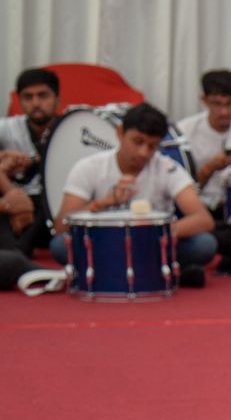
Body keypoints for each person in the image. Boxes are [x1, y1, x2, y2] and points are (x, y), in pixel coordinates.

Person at [54, 103, 217, 286]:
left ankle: (115, 270)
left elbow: (203, 220)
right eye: (137, 142)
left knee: (204, 244)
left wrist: (149, 233)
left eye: (152, 146)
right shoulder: (88, 167)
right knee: (60, 245)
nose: (143, 152)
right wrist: (101, 203)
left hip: (152, 244)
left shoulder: (167, 168)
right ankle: (158, 270)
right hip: (106, 244)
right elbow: (61, 225)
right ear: (120, 133)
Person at [177, 69, 231, 218]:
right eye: (216, 104)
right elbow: (176, 187)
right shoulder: (184, 132)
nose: (224, 112)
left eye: (230, 104)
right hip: (198, 208)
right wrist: (210, 168)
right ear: (204, 100)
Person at [0, 67, 64, 246]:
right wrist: (4, 157)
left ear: (57, 99)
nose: (36, 103)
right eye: (28, 97)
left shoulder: (69, 129)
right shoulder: (8, 128)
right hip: (13, 205)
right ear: (19, 101)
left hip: (51, 207)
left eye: (43, 96)